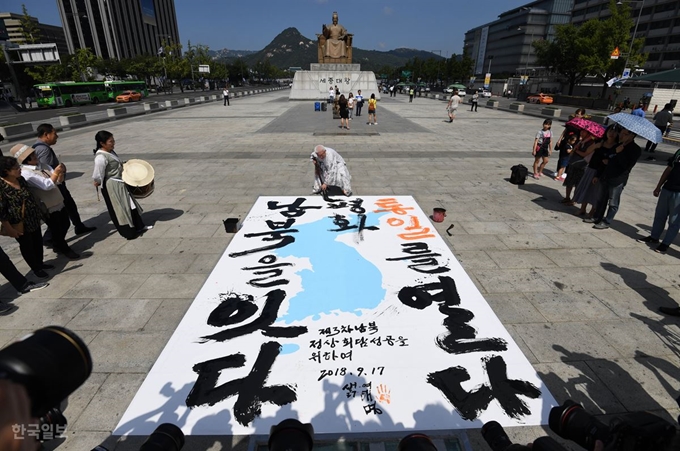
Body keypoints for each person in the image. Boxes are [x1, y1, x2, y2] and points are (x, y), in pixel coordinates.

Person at [11, 144, 79, 260]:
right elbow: (46, 185)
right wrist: (56, 173)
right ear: (26, 159)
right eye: (31, 155)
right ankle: (64, 248)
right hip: (46, 205)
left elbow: (57, 181)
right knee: (56, 228)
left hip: (58, 200)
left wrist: (61, 173)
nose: (35, 156)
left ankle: (57, 244)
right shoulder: (26, 173)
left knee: (65, 223)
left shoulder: (43, 165)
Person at [33, 124, 96, 240]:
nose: (57, 136)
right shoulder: (43, 149)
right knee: (63, 210)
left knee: (68, 207)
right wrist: (59, 174)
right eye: (54, 133)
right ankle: (50, 237)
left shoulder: (39, 147)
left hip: (56, 184)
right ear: (46, 135)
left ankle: (78, 226)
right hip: (56, 185)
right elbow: (45, 171)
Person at [92, 131, 151, 240]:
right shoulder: (100, 158)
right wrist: (97, 181)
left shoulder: (110, 151)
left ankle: (139, 226)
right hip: (112, 186)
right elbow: (97, 175)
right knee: (120, 208)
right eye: (110, 141)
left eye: (113, 140)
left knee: (129, 204)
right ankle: (129, 232)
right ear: (102, 143)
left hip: (120, 182)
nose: (113, 143)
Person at [0, 156, 51, 279]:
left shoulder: (21, 179)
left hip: (33, 217)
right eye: (16, 168)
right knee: (27, 246)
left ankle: (40, 263)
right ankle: (35, 268)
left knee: (37, 241)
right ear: (6, 171)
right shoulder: (2, 187)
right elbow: (1, 212)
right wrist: (10, 229)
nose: (19, 169)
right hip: (19, 223)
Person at [588, 125, 642, 229]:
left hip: (618, 179)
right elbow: (607, 158)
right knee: (601, 199)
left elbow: (627, 166)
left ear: (632, 136)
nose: (621, 135)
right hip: (606, 175)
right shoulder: (618, 145)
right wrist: (598, 174)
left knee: (613, 202)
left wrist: (619, 153)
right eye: (621, 133)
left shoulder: (635, 150)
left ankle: (607, 221)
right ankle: (596, 217)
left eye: (625, 134)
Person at [636, 148, 680, 254]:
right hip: (667, 188)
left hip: (679, 194)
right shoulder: (678, 152)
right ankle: (654, 237)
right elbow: (669, 169)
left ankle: (665, 244)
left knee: (674, 221)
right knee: (660, 215)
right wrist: (658, 186)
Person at [573, 125, 618, 218]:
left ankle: (592, 212)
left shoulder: (616, 147)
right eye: (610, 131)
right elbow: (587, 152)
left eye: (614, 132)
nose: (612, 134)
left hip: (602, 171)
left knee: (596, 192)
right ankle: (582, 209)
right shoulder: (600, 142)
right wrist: (596, 146)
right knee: (586, 188)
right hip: (591, 168)